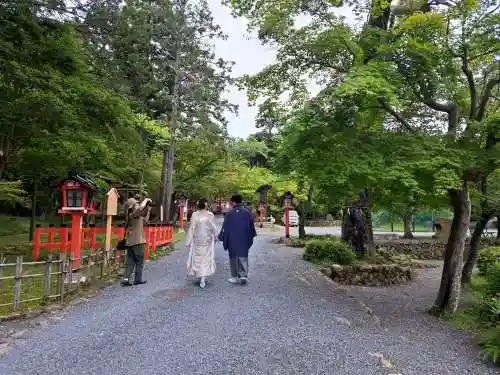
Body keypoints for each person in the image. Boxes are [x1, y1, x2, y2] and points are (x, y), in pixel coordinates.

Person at [218, 194, 257, 285]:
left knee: (233, 256)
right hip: (244, 237)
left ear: (233, 202)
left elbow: (225, 228)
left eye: (231, 202)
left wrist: (222, 236)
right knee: (243, 255)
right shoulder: (247, 213)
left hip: (232, 238)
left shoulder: (229, 213)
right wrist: (250, 236)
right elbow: (251, 227)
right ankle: (243, 275)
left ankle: (235, 277)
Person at [185, 198, 217, 289]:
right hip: (207, 239)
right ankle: (203, 277)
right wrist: (216, 236)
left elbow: (192, 228)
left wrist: (188, 240)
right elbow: (213, 227)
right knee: (206, 258)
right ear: (206, 205)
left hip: (197, 239)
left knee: (197, 257)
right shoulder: (210, 215)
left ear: (198, 205)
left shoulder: (195, 215)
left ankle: (200, 275)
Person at [121, 196, 152, 286]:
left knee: (130, 261)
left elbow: (145, 221)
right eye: (136, 204)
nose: (138, 204)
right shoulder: (133, 215)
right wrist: (146, 199)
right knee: (139, 261)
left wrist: (148, 210)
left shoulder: (132, 216)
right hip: (138, 242)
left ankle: (126, 279)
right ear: (132, 207)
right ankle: (138, 279)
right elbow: (140, 208)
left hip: (130, 242)